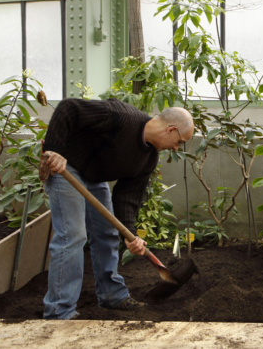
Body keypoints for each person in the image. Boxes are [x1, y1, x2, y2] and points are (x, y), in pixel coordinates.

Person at [39, 98, 194, 320]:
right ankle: (59, 311)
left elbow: (128, 197)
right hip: (67, 166)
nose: (176, 148)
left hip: (94, 176)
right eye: (180, 141)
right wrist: (54, 150)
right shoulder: (120, 116)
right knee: (72, 235)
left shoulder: (148, 159)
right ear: (171, 129)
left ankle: (112, 295)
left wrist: (128, 234)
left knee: (108, 234)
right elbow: (68, 108)